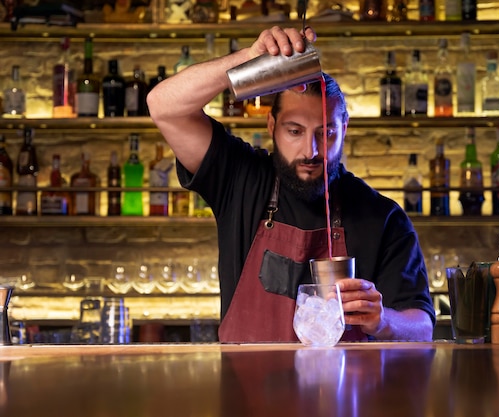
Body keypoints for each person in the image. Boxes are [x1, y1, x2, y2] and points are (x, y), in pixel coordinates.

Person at [147, 25, 435, 342]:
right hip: (246, 389)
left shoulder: (382, 217)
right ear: (272, 125)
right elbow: (164, 105)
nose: (310, 151)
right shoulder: (240, 179)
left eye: (326, 133)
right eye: (295, 131)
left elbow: (421, 325)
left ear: (345, 127)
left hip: (340, 390)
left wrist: (383, 321)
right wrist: (251, 59)